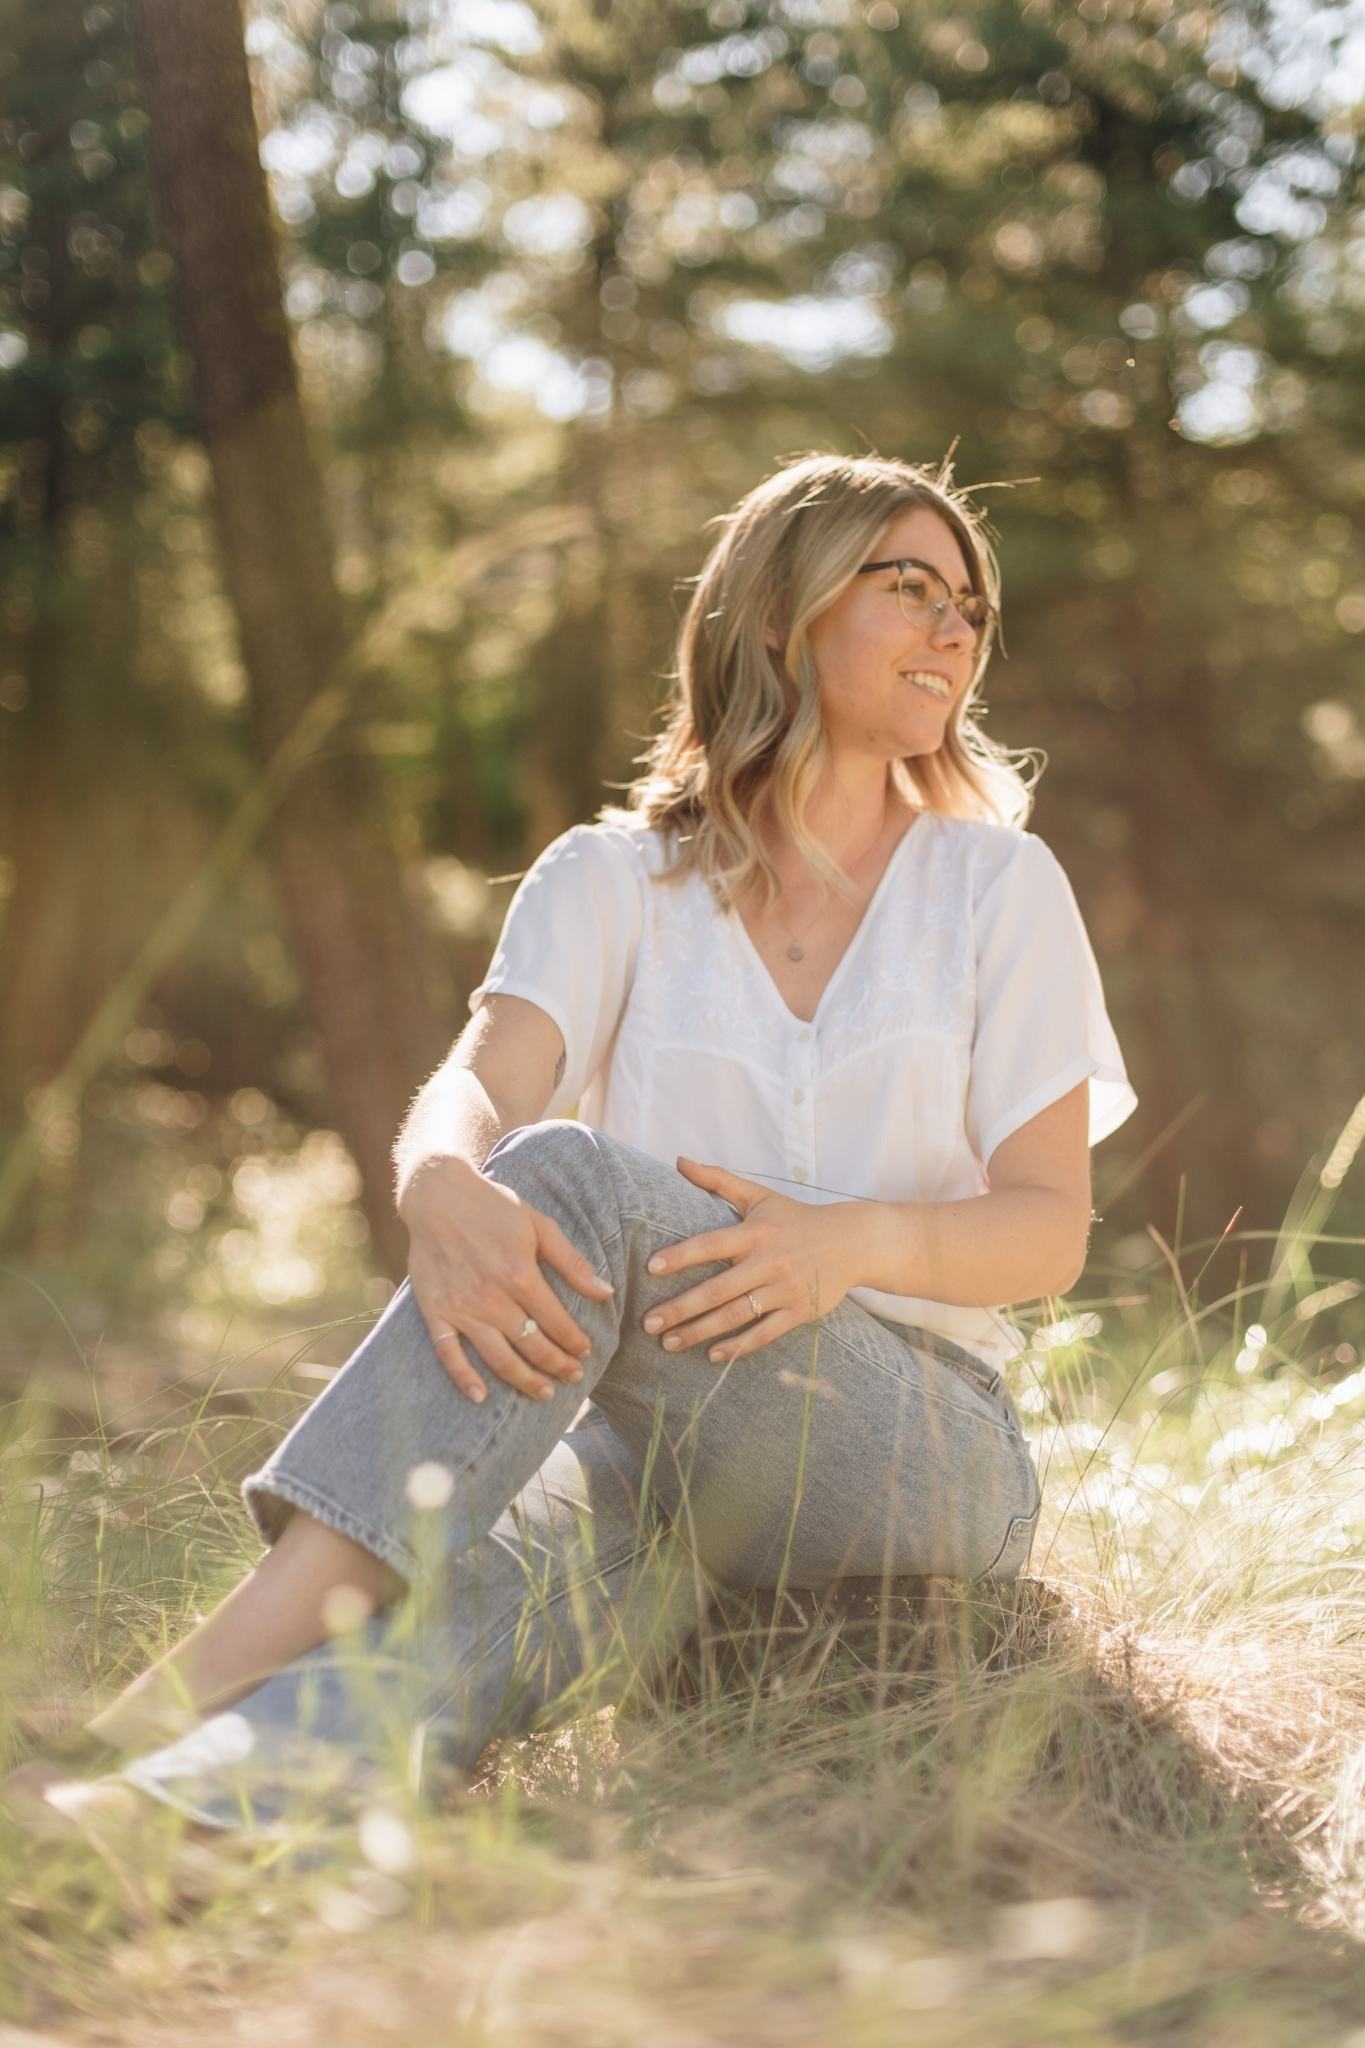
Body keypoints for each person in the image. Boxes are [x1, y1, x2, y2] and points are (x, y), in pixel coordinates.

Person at [5, 449, 1137, 1843]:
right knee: (498, 1578)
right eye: (907, 586)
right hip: (650, 1451)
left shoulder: (997, 887)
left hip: (917, 1452)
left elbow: (1045, 1230)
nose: (955, 627)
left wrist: (854, 1241)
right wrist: (432, 1184)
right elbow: (482, 1085)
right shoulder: (610, 878)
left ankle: (172, 1697)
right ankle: (163, 1815)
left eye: (970, 602)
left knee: (570, 1175)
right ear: (779, 611)